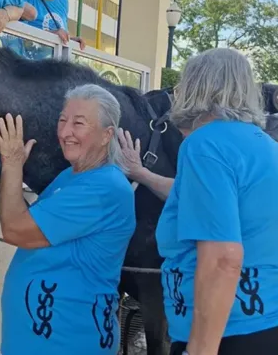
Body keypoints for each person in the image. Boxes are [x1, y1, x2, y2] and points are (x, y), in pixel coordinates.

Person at [119, 48, 278, 354]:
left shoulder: (205, 144)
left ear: (196, 87)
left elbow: (222, 258)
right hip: (263, 324)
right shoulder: (263, 145)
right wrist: (143, 174)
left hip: (226, 335)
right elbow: (195, 198)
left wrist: (199, 349)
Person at [0, 84, 135, 354]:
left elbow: (15, 229)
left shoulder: (103, 188)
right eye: (62, 120)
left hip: (69, 342)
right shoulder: (71, 176)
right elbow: (30, 222)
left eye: (78, 123)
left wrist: (11, 165)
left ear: (107, 135)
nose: (65, 132)